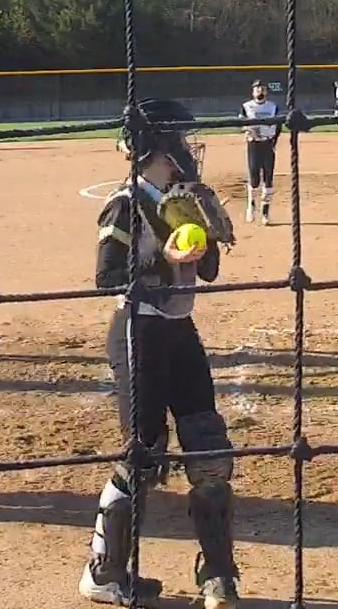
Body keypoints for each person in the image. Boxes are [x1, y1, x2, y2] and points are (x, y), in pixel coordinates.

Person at [81, 97, 239, 609]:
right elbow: (107, 276)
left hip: (179, 331)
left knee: (209, 451)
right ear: (156, 144)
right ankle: (104, 573)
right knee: (143, 453)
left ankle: (217, 574)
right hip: (139, 332)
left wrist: (201, 243)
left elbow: (208, 271)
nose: (187, 147)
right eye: (179, 138)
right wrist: (161, 258)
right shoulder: (126, 203)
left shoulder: (183, 198)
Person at [239, 80, 279, 225]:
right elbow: (241, 124)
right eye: (257, 89)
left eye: (263, 89)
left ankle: (265, 212)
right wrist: (249, 129)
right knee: (254, 178)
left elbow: (278, 125)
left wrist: (273, 141)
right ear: (253, 91)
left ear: (266, 92)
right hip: (254, 144)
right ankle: (251, 205)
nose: (260, 91)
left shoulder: (273, 107)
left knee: (268, 178)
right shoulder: (246, 106)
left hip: (267, 144)